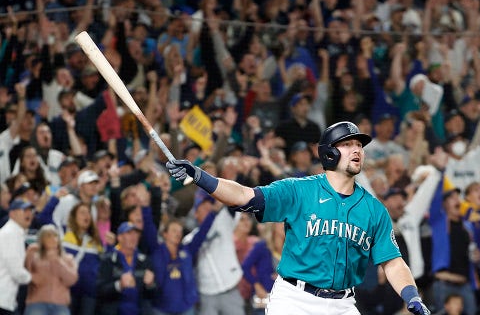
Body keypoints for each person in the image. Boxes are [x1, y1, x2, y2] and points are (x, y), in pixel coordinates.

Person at [167, 121, 431, 315]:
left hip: (342, 304)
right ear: (329, 152)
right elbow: (243, 196)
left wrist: (412, 296)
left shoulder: (374, 209)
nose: (357, 150)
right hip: (294, 300)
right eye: (348, 144)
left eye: (359, 145)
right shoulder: (299, 190)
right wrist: (201, 177)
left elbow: (393, 263)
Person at [96, 222, 157, 315]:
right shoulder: (108, 260)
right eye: (129, 233)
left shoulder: (145, 261)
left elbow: (152, 295)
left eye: (135, 233)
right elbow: (99, 291)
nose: (133, 237)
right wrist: (119, 285)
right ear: (119, 237)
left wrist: (150, 285)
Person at [24, 224, 78, 315]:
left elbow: (71, 280)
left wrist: (57, 261)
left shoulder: (68, 259)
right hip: (37, 302)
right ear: (42, 239)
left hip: (60, 305)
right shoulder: (34, 255)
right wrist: (35, 278)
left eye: (55, 236)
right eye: (48, 236)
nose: (53, 239)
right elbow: (25, 275)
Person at [0, 199, 34, 314]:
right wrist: (35, 279)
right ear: (12, 214)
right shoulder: (10, 234)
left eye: (30, 210)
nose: (29, 213)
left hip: (6, 300)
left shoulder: (15, 233)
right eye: (24, 210)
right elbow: (16, 271)